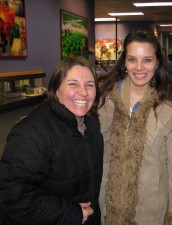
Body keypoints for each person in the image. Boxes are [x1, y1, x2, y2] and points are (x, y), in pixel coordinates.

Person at [98, 30, 172, 225]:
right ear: (124, 63)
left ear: (157, 63)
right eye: (132, 59)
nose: (139, 67)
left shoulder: (168, 108)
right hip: (106, 209)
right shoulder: (103, 101)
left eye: (147, 60)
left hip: (150, 213)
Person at [0, 56, 104, 225]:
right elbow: (13, 197)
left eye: (90, 85)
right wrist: (72, 213)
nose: (83, 92)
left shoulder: (90, 124)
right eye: (73, 84)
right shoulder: (30, 133)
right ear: (56, 90)